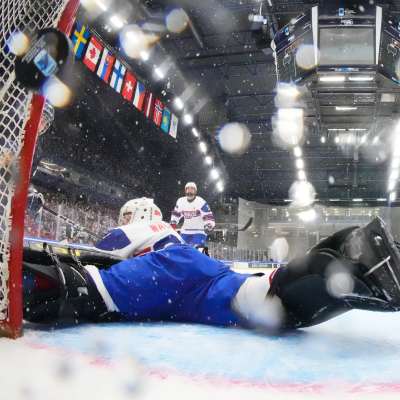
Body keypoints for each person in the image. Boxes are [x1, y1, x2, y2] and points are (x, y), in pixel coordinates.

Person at [22, 215, 400, 331]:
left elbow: (93, 272)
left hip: (183, 277)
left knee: (81, 292)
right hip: (201, 273)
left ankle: (365, 273)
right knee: (267, 292)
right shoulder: (162, 235)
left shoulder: (138, 232)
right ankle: (360, 255)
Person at [95, 197, 184, 258]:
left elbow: (96, 255)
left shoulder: (131, 230)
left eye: (127, 217)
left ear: (143, 214)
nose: (124, 221)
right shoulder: (167, 227)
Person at [170, 182, 215, 248]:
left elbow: (207, 215)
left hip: (199, 231)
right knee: (182, 249)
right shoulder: (180, 201)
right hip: (185, 231)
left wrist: (209, 224)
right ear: (185, 191)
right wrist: (173, 223)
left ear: (195, 191)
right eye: (188, 189)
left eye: (192, 189)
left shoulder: (201, 202)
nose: (190, 190)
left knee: (196, 249)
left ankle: (200, 256)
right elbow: (176, 214)